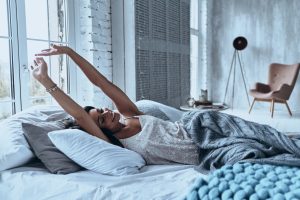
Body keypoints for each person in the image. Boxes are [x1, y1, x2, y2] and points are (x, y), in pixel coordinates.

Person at [33, 44, 200, 166]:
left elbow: (101, 82)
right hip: (201, 152)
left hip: (199, 129)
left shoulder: (130, 114)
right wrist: (46, 82)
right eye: (101, 120)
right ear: (100, 131)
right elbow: (80, 115)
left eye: (100, 110)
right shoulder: (115, 143)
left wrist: (69, 52)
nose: (106, 113)